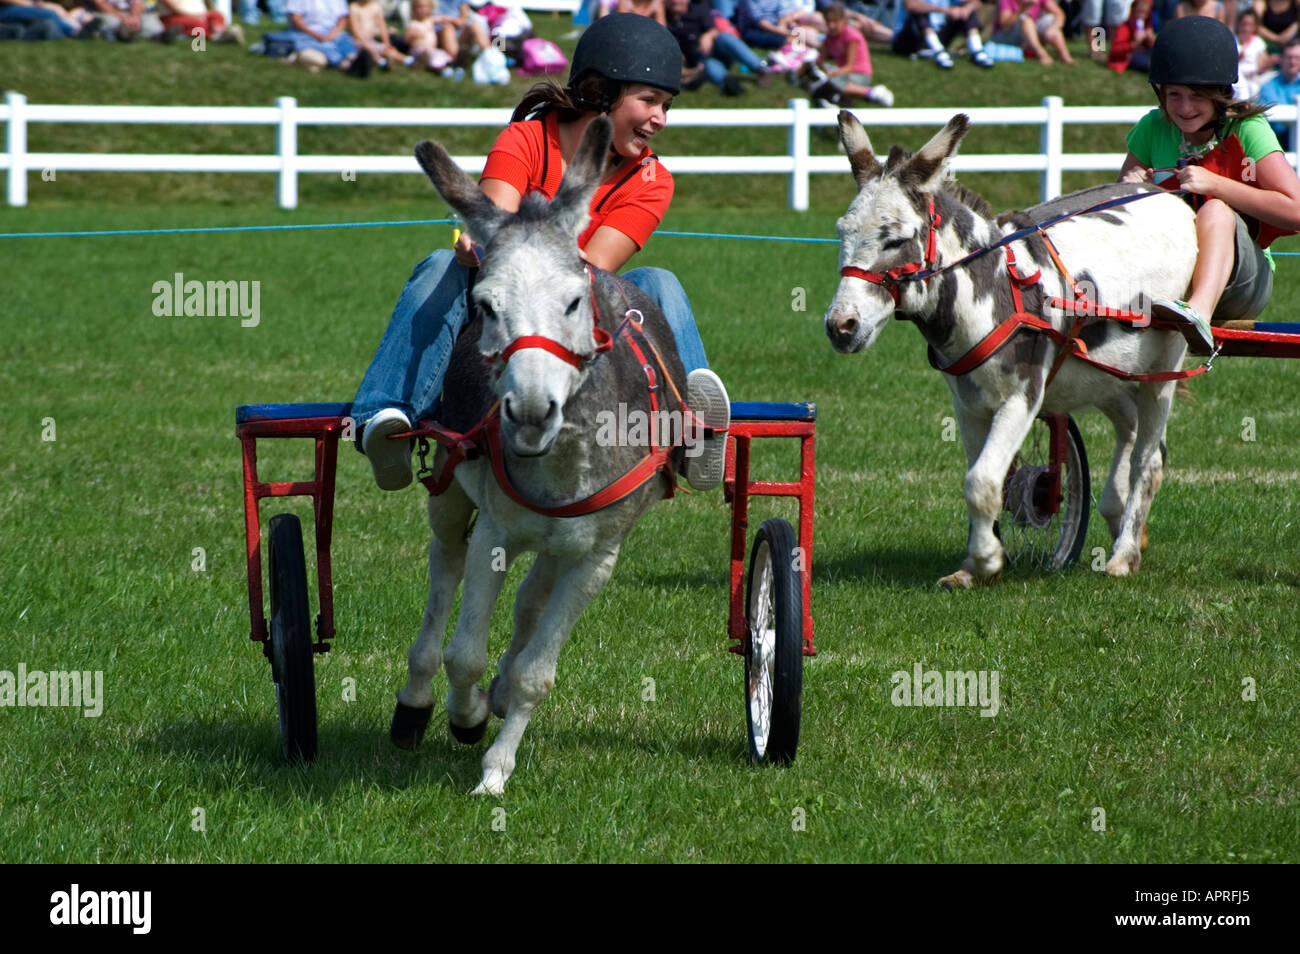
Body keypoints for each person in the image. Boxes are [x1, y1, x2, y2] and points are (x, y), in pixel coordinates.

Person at [354, 13, 732, 492]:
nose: (660, 119)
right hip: (501, 309)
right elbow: (493, 223)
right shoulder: (526, 139)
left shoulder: (653, 180)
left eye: (667, 106)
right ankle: (384, 421)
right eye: (650, 101)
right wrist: (476, 245)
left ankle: (696, 434)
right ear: (602, 93)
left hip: (572, 310)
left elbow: (592, 268)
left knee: (660, 283)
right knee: (439, 265)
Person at [1118, 16, 1300, 348]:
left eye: (1197, 96)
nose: (1185, 108)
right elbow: (1118, 209)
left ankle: (1198, 312)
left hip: (1243, 284)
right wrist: (1130, 191)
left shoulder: (1248, 128)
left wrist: (1216, 185)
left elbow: (1296, 210)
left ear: (1220, 94)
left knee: (1216, 210)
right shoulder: (1152, 127)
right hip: (1169, 273)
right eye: (1174, 94)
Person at [666, 0, 770, 96]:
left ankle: (760, 67)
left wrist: (708, 36)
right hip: (699, 58)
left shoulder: (699, 8)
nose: (675, 1)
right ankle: (728, 82)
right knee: (710, 66)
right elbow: (663, 36)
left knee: (724, 37)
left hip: (718, 48)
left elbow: (713, 29)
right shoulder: (665, 18)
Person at [802, 2, 894, 105]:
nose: (831, 25)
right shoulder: (830, 37)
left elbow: (850, 66)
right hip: (843, 73)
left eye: (835, 21)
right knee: (819, 81)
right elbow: (820, 60)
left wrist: (832, 73)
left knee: (831, 83)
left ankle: (871, 92)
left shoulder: (851, 36)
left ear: (843, 21)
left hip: (859, 74)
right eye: (828, 22)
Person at [891, 0, 996, 69]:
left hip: (936, 34)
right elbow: (910, 5)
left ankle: (977, 51)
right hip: (908, 39)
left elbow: (976, 2)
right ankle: (938, 52)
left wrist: (966, 9)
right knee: (919, 13)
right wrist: (945, 10)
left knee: (966, 12)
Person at [992, 0, 1075, 64]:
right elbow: (1005, 26)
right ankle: (1042, 54)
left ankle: (1065, 56)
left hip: (1028, 34)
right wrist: (1022, 8)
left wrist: (1053, 28)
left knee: (1050, 20)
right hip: (1005, 36)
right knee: (1026, 19)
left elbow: (1059, 13)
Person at [1258, 36, 1300, 145]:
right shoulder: (1268, 87)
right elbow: (1281, 122)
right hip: (1279, 142)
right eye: (1289, 57)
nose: (1292, 62)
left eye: (1296, 58)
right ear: (1280, 59)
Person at [348, 0, 402, 68]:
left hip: (371, 40)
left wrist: (386, 43)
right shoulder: (354, 7)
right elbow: (355, 30)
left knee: (389, 50)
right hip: (357, 41)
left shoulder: (375, 6)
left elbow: (382, 26)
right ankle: (383, 63)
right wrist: (367, 44)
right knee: (371, 52)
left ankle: (407, 60)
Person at [1234, 7, 1273, 96]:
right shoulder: (1232, 40)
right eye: (1244, 24)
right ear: (1238, 24)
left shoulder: (1258, 42)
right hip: (1237, 77)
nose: (1246, 28)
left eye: (1250, 25)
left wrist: (1268, 62)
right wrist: (1238, 58)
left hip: (1253, 78)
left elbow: (1262, 64)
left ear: (1255, 27)